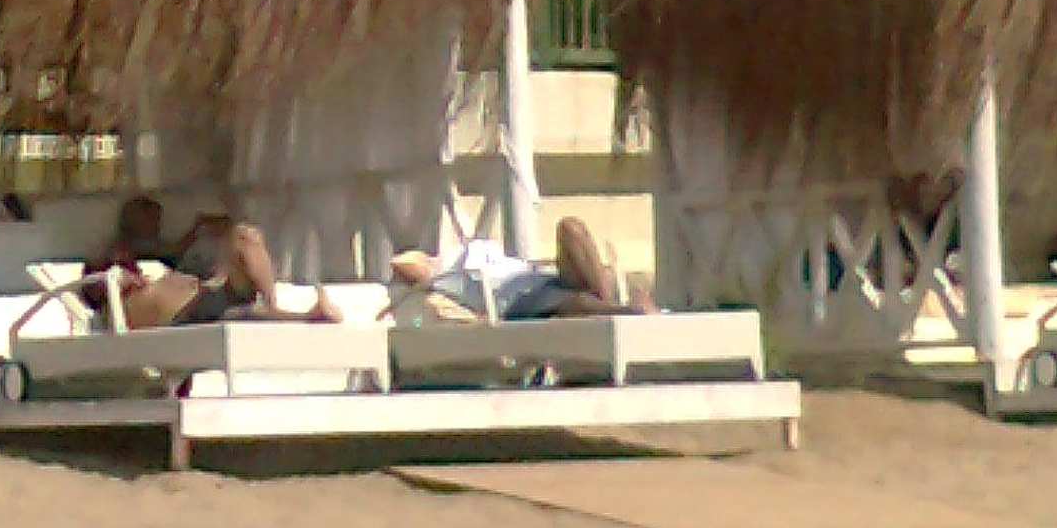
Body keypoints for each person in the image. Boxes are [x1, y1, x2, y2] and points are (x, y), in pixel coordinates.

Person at [81, 196, 341, 328]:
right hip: (178, 316)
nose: (155, 225)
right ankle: (306, 317)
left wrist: (200, 229)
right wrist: (124, 280)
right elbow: (93, 289)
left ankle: (272, 304)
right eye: (148, 218)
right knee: (236, 313)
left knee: (246, 236)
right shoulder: (111, 263)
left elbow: (173, 250)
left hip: (201, 297)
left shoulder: (159, 257)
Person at [389, 217, 656, 322]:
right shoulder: (446, 279)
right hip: (518, 301)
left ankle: (615, 308)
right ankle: (626, 312)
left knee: (570, 228)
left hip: (537, 278)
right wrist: (430, 268)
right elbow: (400, 263)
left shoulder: (468, 251)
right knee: (573, 302)